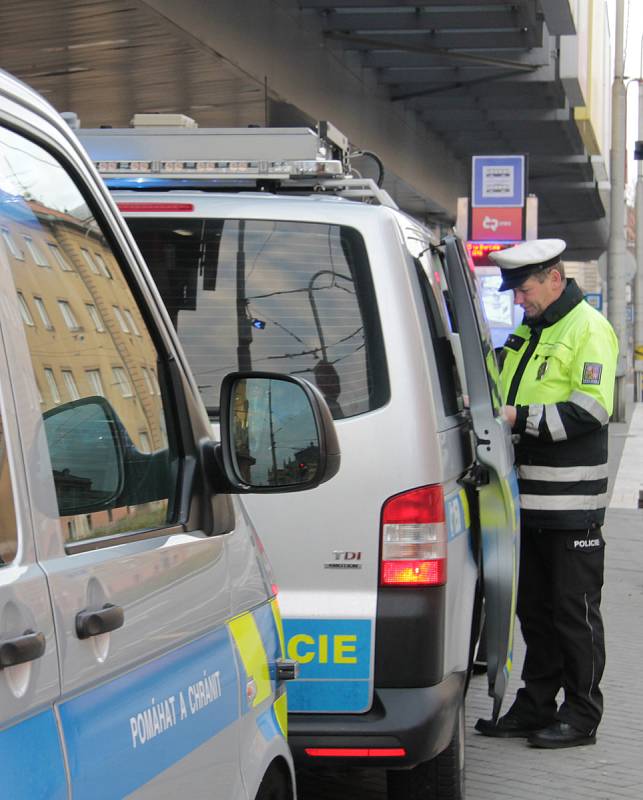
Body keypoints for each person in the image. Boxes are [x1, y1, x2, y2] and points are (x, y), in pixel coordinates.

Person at [475, 238, 618, 749]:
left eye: (526, 287)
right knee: (535, 612)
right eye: (515, 290)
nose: (519, 298)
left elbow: (591, 410)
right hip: (526, 505)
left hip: (570, 508)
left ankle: (582, 716)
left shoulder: (589, 330)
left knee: (573, 614)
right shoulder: (529, 332)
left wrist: (519, 419)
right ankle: (536, 707)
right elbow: (495, 386)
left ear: (555, 276)